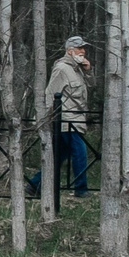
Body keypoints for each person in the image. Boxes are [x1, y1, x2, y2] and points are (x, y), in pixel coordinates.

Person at [29, 34, 92, 200]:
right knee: (80, 153)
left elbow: (89, 90)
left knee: (58, 157)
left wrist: (87, 70)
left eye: (83, 48)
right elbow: (50, 94)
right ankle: (81, 188)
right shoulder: (62, 68)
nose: (83, 51)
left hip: (75, 120)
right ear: (70, 51)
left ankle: (34, 185)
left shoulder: (77, 69)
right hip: (66, 121)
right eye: (79, 48)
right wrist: (43, 119)